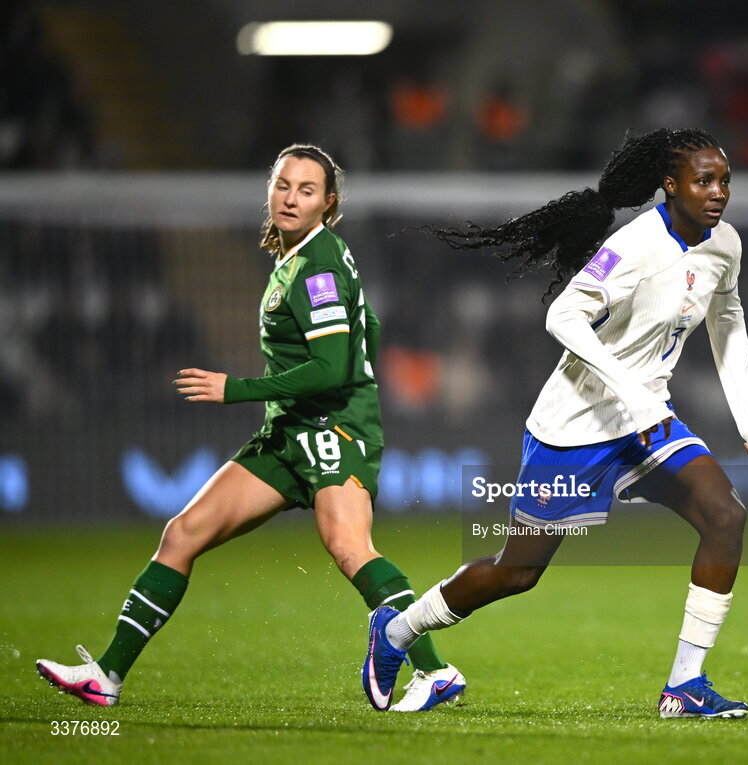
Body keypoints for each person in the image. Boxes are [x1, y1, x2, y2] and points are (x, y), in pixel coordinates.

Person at [36, 144, 465, 713]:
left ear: (327, 203)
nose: (291, 197)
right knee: (182, 533)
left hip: (332, 432)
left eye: (306, 190)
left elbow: (333, 365)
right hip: (288, 435)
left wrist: (235, 388)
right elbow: (371, 326)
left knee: (349, 548)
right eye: (283, 185)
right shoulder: (299, 257)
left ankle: (435, 672)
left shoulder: (317, 267)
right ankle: (107, 675)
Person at [362, 128, 748, 718]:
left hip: (647, 423)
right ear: (670, 185)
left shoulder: (724, 244)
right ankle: (397, 632)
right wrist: (628, 386)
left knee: (726, 516)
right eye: (704, 180)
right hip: (574, 427)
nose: (718, 193)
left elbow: (726, 319)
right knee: (517, 572)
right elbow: (563, 315)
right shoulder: (635, 246)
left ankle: (684, 686)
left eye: (724, 180)